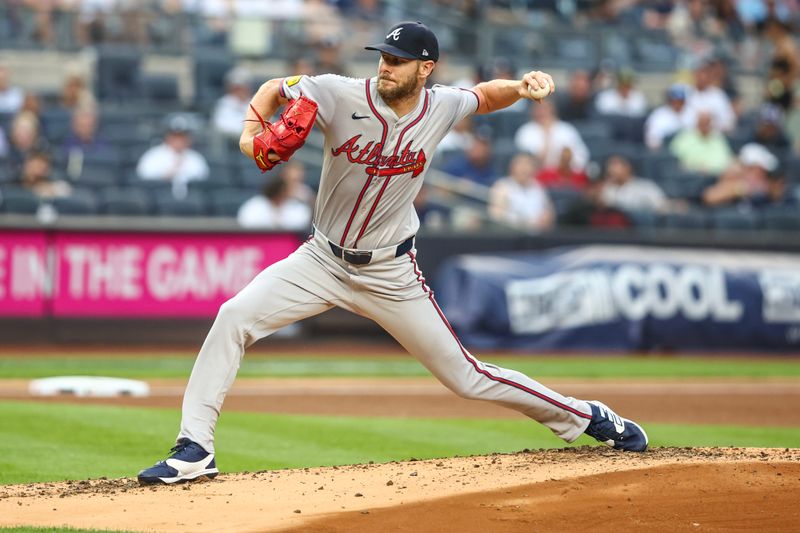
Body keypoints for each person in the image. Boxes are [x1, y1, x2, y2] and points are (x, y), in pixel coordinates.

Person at [137, 20, 648, 486]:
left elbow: (482, 98)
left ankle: (589, 416)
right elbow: (276, 89)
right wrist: (252, 135)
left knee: (468, 378)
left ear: (426, 68)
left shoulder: (441, 105)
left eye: (398, 59)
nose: (386, 64)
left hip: (391, 271)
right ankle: (195, 448)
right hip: (321, 259)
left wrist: (518, 87)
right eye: (383, 56)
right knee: (233, 316)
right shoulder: (336, 92)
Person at [136, 114, 209, 198]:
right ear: (168, 137)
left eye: (182, 136)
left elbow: (203, 176)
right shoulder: (154, 155)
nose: (178, 140)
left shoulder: (195, 157)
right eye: (175, 136)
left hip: (190, 199)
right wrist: (165, 175)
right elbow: (143, 173)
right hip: (160, 196)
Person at [514, 99, 590, 172]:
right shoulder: (525, 131)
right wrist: (546, 137)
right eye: (539, 108)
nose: (542, 112)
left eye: (546, 108)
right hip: (536, 177)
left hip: (565, 176)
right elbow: (524, 162)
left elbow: (582, 156)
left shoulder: (567, 129)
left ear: (553, 110)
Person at [488, 153, 554, 230]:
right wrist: (525, 223)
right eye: (520, 164)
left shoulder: (539, 187)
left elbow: (549, 213)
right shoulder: (502, 186)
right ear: (512, 167)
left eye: (527, 164)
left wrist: (546, 219)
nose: (524, 168)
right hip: (512, 233)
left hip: (538, 234)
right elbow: (496, 216)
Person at [670, 110, 734, 175]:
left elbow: (727, 159)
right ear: (697, 123)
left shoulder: (718, 137)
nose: (705, 126)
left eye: (707, 123)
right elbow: (675, 159)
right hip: (692, 176)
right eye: (702, 123)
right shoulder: (684, 138)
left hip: (717, 175)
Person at [237, 175, 312, 230]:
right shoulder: (254, 206)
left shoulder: (295, 206)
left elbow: (302, 224)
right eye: (283, 191)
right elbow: (247, 225)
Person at [644, 83, 692, 151]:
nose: (677, 104)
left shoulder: (691, 113)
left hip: (689, 151)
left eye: (680, 101)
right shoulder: (658, 115)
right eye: (674, 101)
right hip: (666, 152)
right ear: (669, 100)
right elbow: (652, 141)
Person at [212, 67, 254, 142]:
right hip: (230, 145)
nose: (240, 90)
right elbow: (222, 126)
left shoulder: (254, 102)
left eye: (243, 87)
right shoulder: (224, 103)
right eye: (237, 87)